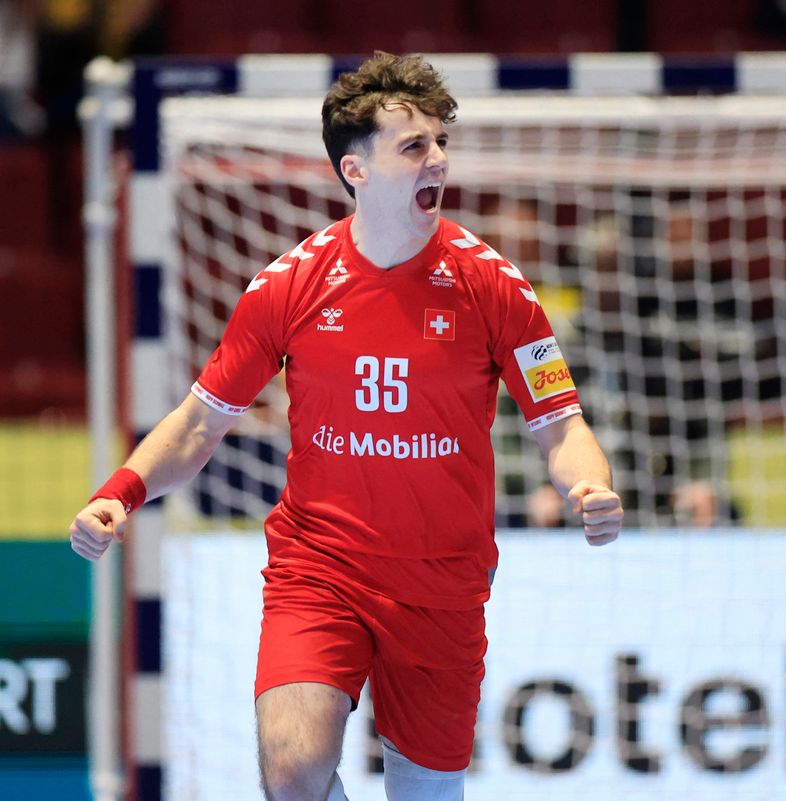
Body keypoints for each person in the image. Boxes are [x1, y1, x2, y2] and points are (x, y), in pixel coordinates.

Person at [69, 51, 623, 801]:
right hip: (320, 567)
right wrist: (123, 490)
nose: (438, 160)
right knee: (293, 767)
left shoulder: (493, 285)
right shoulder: (289, 286)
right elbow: (201, 423)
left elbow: (561, 423)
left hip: (442, 580)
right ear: (355, 170)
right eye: (414, 146)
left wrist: (590, 482)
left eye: (439, 142)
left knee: (423, 792)